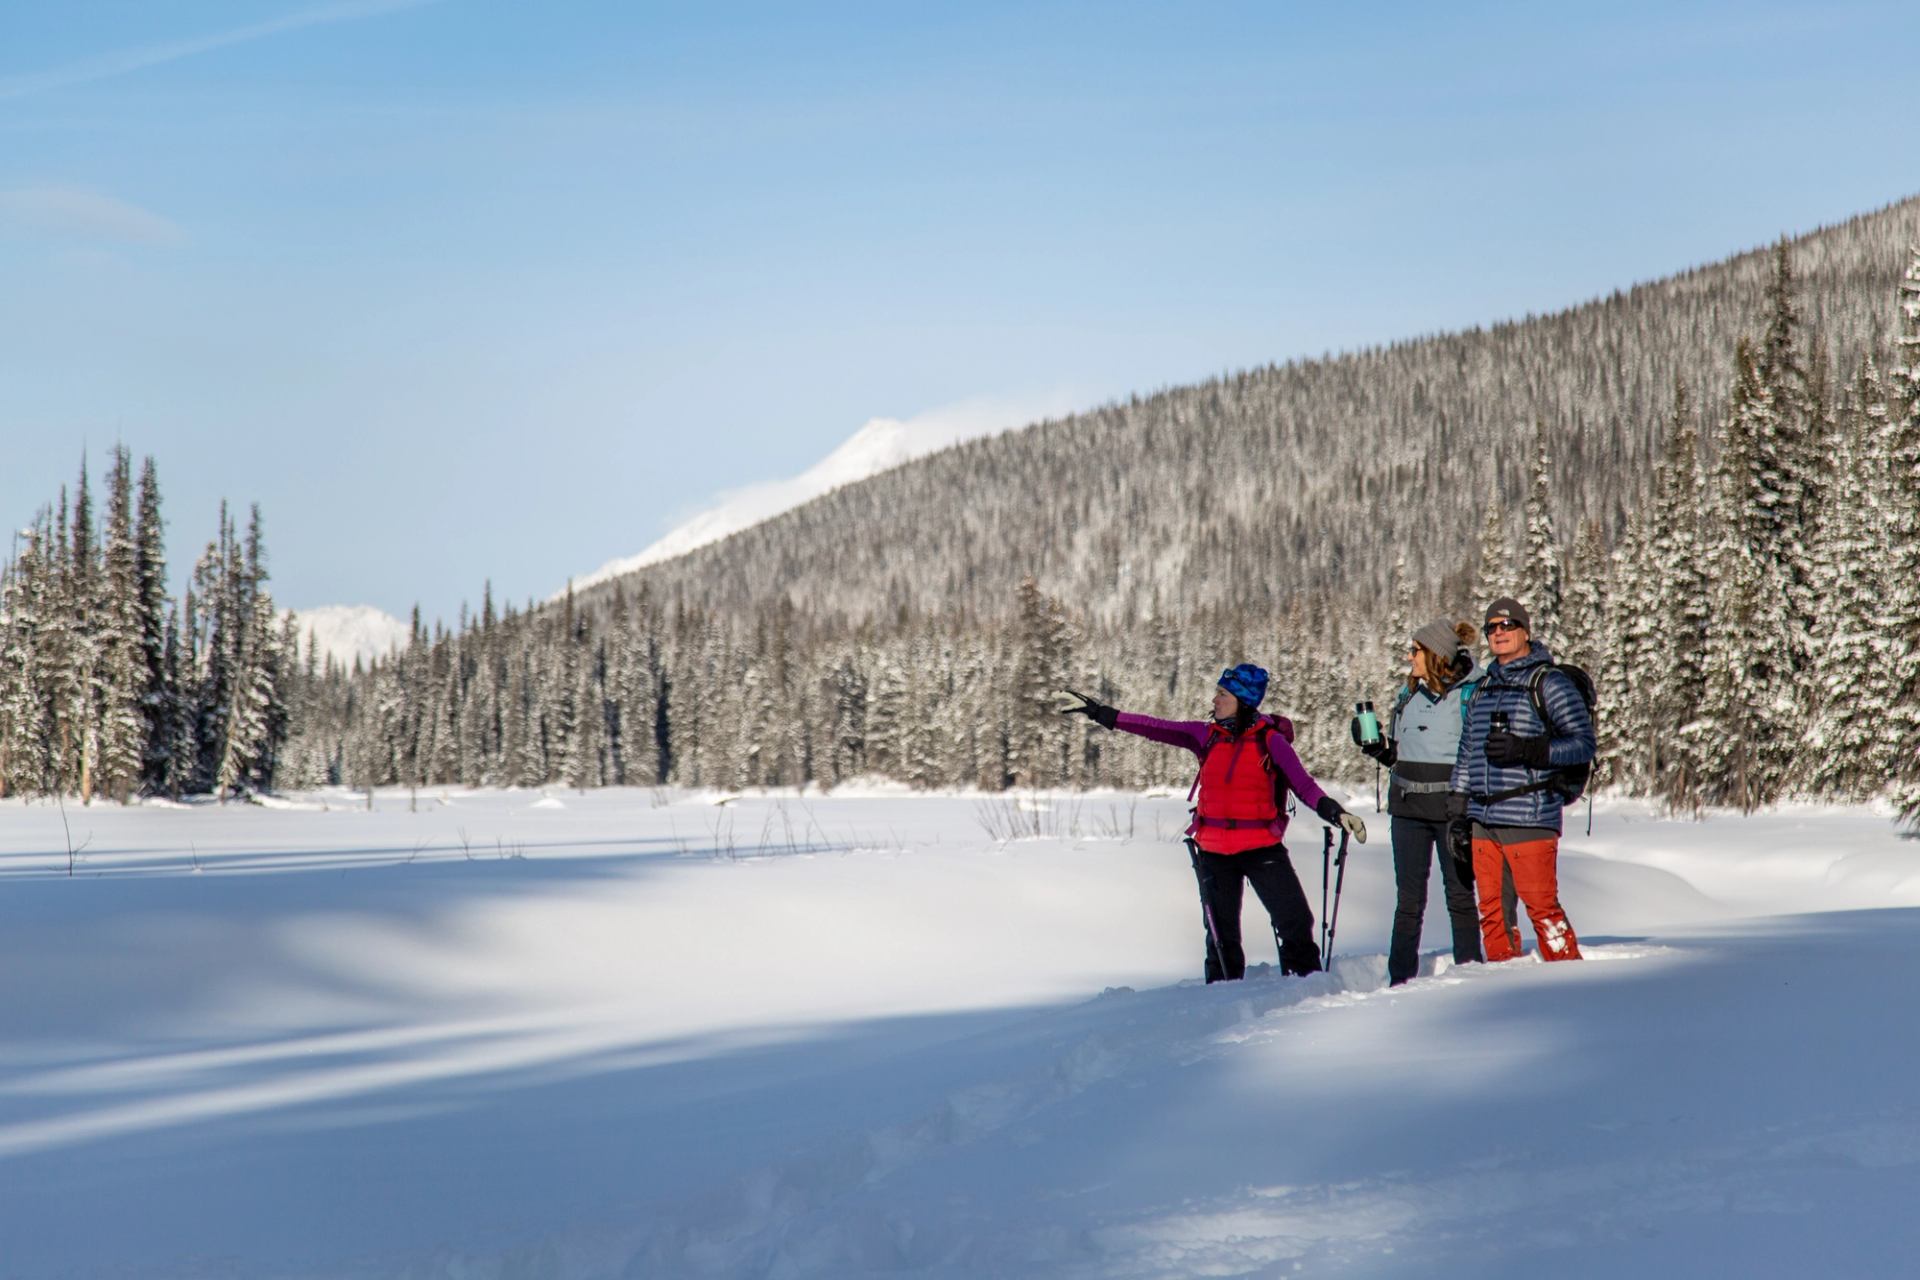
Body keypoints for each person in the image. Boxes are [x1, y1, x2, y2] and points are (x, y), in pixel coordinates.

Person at [1063, 663, 1367, 982]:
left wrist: (1336, 813)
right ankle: (1221, 1000)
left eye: (1222, 694)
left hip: (1262, 848)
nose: (1215, 700)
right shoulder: (1206, 735)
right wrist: (1101, 713)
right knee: (1221, 938)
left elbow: (1304, 785)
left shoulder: (1271, 741)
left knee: (1295, 922)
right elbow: (1155, 727)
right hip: (1213, 852)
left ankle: (1305, 989)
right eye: (1217, 693)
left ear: (1243, 699)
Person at [1352, 619, 1514, 986]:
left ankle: (1470, 973)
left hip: (1451, 810)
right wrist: (1379, 748)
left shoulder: (1471, 694)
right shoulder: (1407, 694)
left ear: (1436, 654)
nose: (1409, 656)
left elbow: (1478, 754)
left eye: (1416, 650)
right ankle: (1399, 979)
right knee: (1408, 902)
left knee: (1459, 895)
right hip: (1407, 810)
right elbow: (1400, 755)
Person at [1449, 597, 1594, 963]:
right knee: (1493, 915)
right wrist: (1457, 809)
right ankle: (1506, 982)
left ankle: (1574, 983)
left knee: (1543, 911)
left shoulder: (1549, 683)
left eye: (1507, 625)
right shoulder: (1482, 689)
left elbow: (1582, 743)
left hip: (1530, 815)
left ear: (1525, 631)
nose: (1499, 633)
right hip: (1484, 818)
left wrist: (1528, 749)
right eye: (1491, 628)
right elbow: (1468, 751)